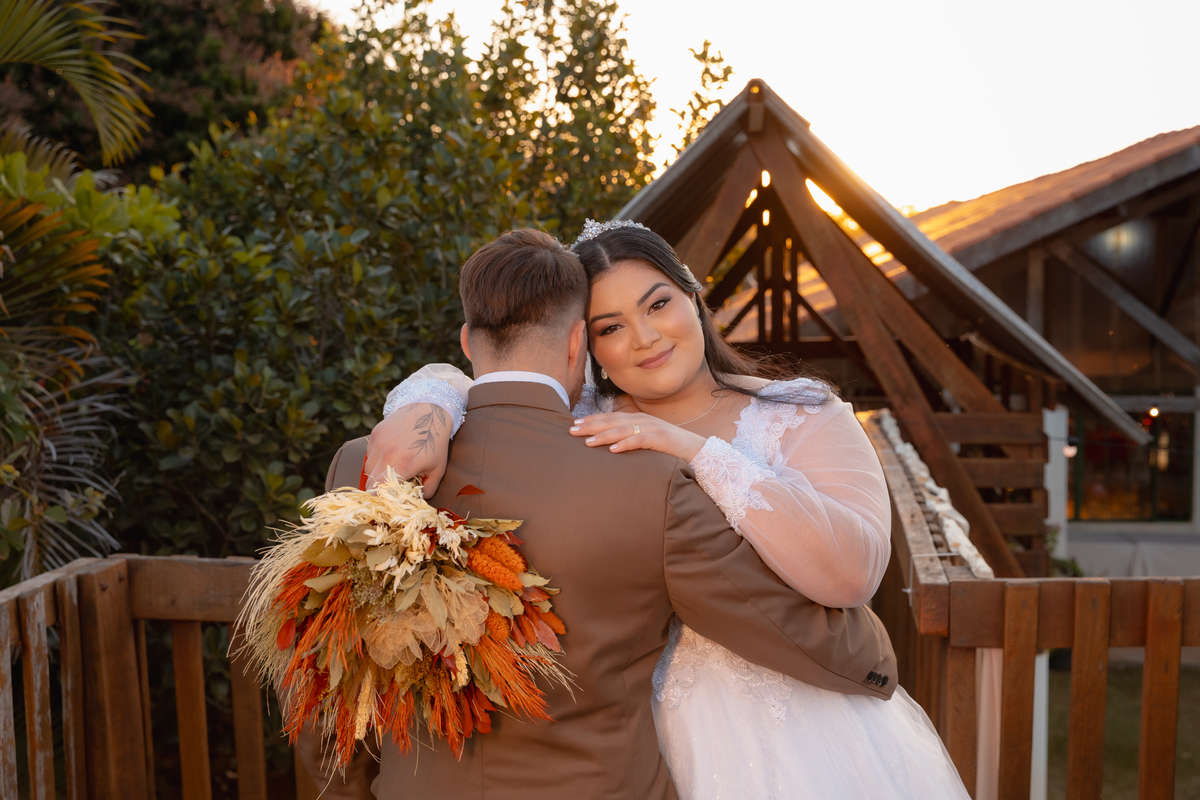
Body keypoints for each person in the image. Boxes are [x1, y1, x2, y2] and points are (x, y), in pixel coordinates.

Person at [370, 221, 972, 798]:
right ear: (582, 345)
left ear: (693, 295)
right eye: (610, 326)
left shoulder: (801, 413)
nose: (645, 337)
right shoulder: (580, 425)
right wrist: (434, 395)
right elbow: (499, 375)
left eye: (657, 304)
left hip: (792, 721)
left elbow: (854, 572)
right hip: (629, 733)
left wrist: (696, 451)